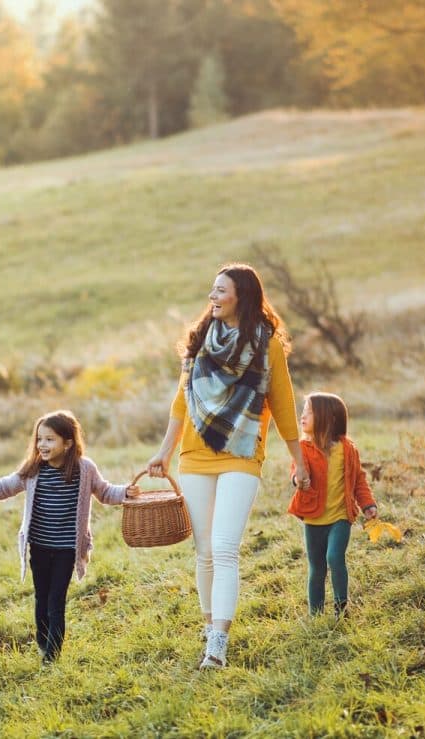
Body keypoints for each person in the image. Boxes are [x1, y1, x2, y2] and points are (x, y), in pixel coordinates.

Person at [146, 263, 309, 669]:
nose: (212, 297)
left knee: (224, 548)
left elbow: (283, 404)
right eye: (212, 290)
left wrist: (298, 456)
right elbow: (182, 401)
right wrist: (164, 452)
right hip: (195, 454)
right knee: (204, 552)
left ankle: (217, 642)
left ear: (242, 296)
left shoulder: (265, 343)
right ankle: (208, 627)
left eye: (221, 291)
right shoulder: (201, 338)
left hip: (242, 452)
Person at [0, 410, 138, 663]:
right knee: (41, 598)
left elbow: (105, 492)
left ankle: (51, 656)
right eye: (39, 439)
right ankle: (43, 642)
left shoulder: (84, 469)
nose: (42, 444)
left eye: (50, 439)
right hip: (39, 547)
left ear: (68, 443)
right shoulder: (33, 470)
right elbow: (4, 487)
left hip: (67, 549)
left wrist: (126, 493)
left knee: (56, 599)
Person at [288, 392, 377, 617]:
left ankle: (341, 608)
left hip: (340, 517)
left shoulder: (347, 449)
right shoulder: (302, 449)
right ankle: (315, 614)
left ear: (327, 417)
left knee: (334, 558)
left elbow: (358, 480)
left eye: (309, 411)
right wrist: (299, 479)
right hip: (313, 518)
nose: (303, 415)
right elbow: (296, 472)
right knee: (316, 568)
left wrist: (367, 504)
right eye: (304, 410)